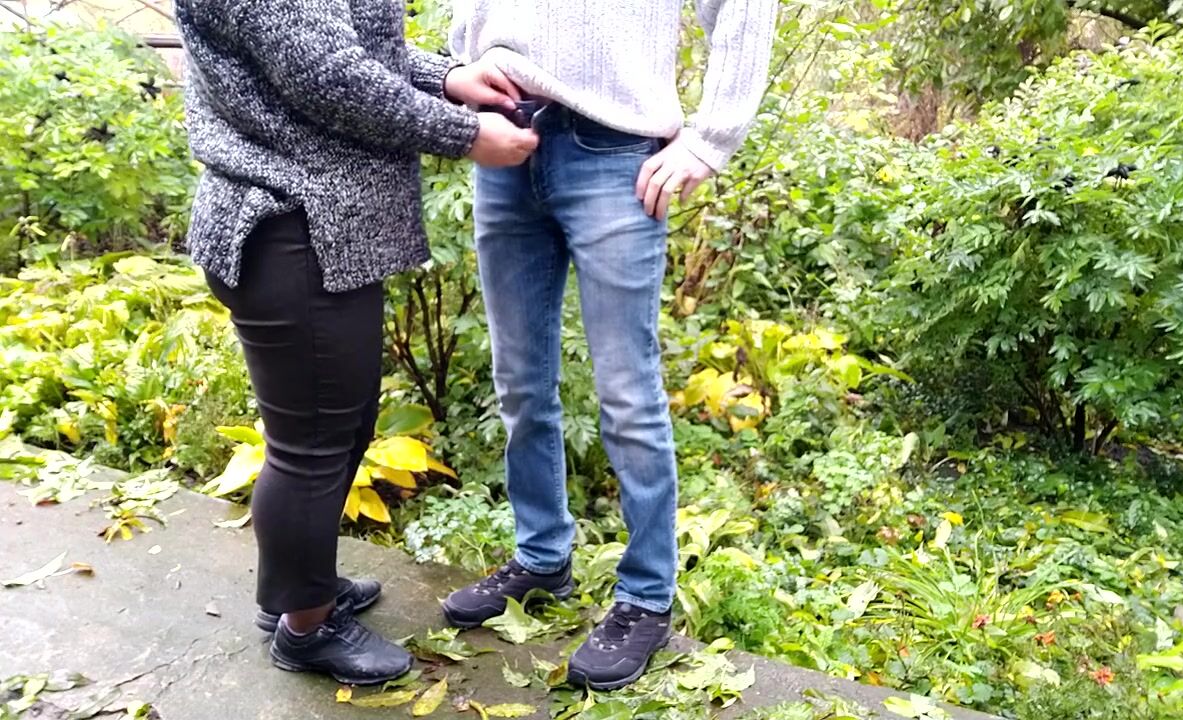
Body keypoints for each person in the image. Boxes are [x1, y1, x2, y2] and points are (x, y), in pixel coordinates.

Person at [173, 0, 534, 686]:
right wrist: (462, 132)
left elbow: (352, 48)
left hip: (313, 230)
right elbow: (330, 74)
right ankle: (306, 630)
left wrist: (445, 77)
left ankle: (299, 590)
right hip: (288, 226)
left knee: (338, 429)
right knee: (310, 446)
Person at [443, 0, 779, 691]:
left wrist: (710, 139)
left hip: (614, 150)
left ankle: (646, 598)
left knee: (627, 394)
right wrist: (463, 62)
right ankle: (542, 557)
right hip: (504, 135)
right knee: (519, 382)